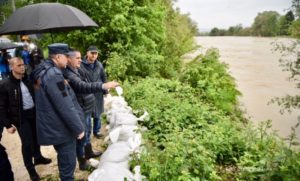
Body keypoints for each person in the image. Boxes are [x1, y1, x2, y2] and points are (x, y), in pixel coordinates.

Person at [32, 43, 85, 181]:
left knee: (65, 162)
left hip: (54, 126)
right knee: (68, 165)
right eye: (66, 56)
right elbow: (65, 106)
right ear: (58, 56)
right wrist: (78, 128)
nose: (68, 59)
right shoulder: (54, 74)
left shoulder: (43, 70)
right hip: (62, 129)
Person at [63, 50, 118, 170]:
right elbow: (82, 86)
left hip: (86, 106)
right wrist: (103, 86)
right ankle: (82, 161)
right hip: (81, 108)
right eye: (77, 58)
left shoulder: (76, 69)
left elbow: (88, 81)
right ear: (68, 59)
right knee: (82, 136)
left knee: (87, 131)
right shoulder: (68, 73)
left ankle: (88, 153)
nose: (80, 60)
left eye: (79, 58)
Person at [0, 57, 51, 181]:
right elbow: (1, 106)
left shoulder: (28, 79)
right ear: (12, 67)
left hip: (34, 113)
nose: (22, 67)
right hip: (21, 118)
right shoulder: (5, 84)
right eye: (19, 65)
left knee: (37, 137)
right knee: (27, 144)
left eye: (23, 64)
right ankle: (31, 169)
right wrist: (7, 125)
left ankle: (38, 157)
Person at [79, 46, 107, 157]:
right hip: (87, 94)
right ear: (87, 53)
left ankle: (97, 130)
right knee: (87, 119)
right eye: (92, 53)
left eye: (96, 53)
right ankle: (87, 140)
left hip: (98, 93)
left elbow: (103, 77)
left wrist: (105, 91)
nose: (94, 55)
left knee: (98, 114)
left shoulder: (99, 64)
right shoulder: (81, 65)